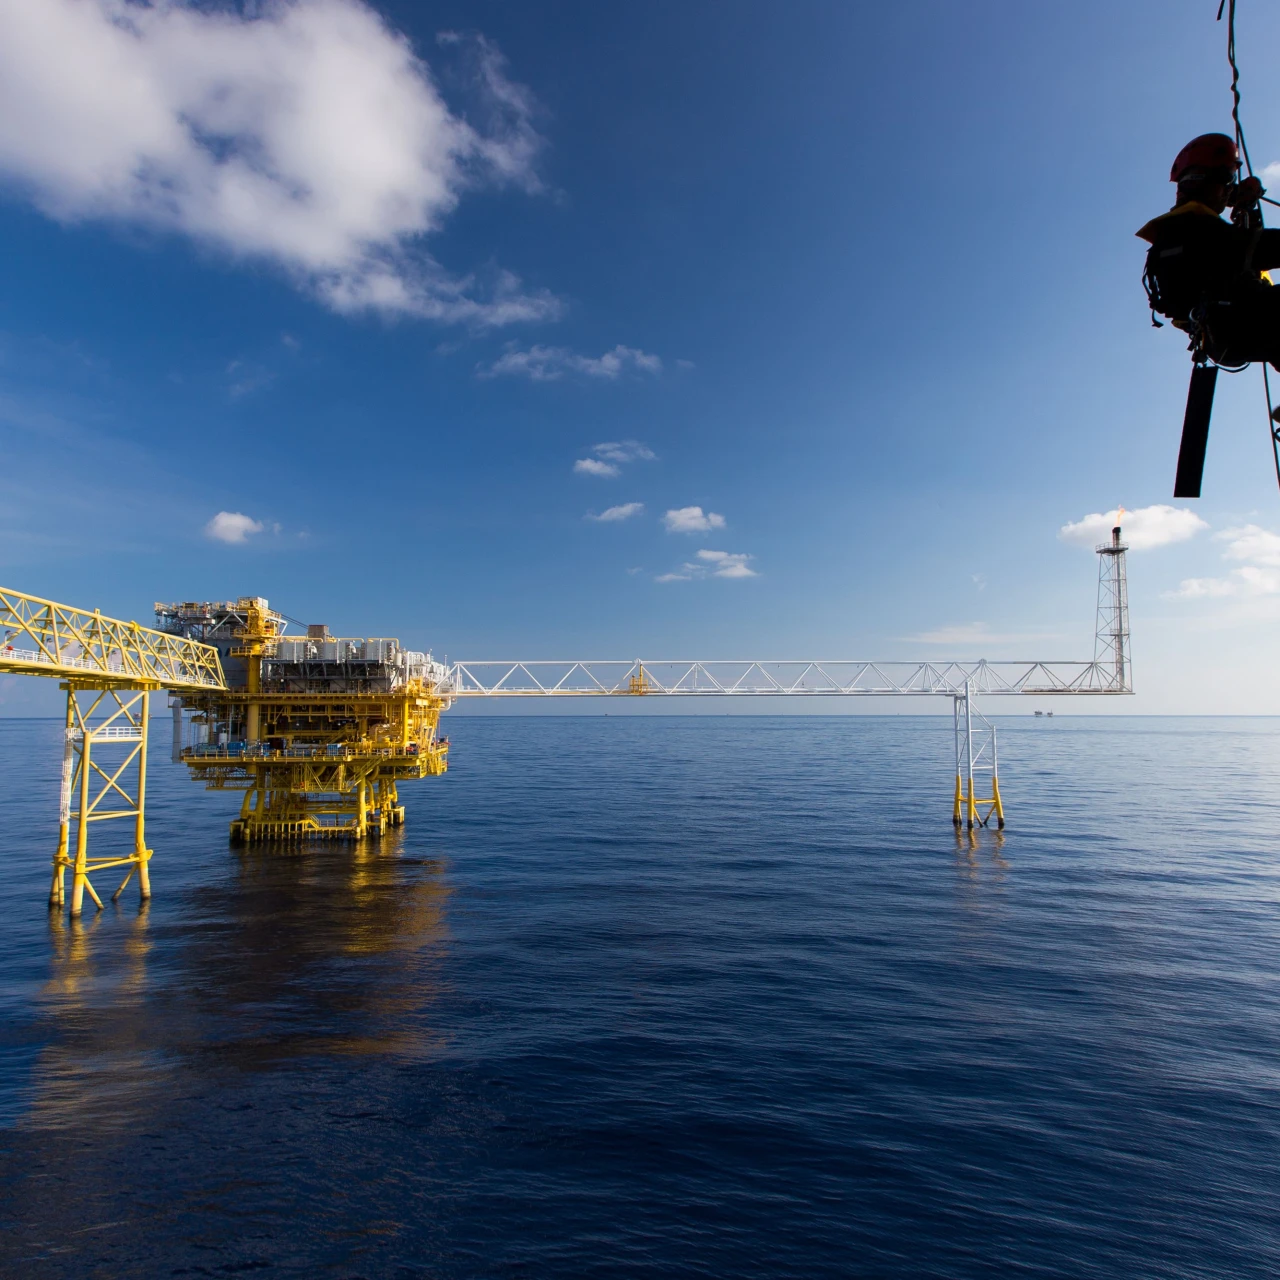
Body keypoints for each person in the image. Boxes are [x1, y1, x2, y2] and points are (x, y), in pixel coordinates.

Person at [1138, 133, 1280, 369]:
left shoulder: (1178, 233)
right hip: (1241, 325)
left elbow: (1242, 256)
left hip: (1231, 333)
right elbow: (1259, 248)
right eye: (1226, 181)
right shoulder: (1198, 232)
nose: (1228, 190)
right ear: (1202, 181)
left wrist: (1247, 208)